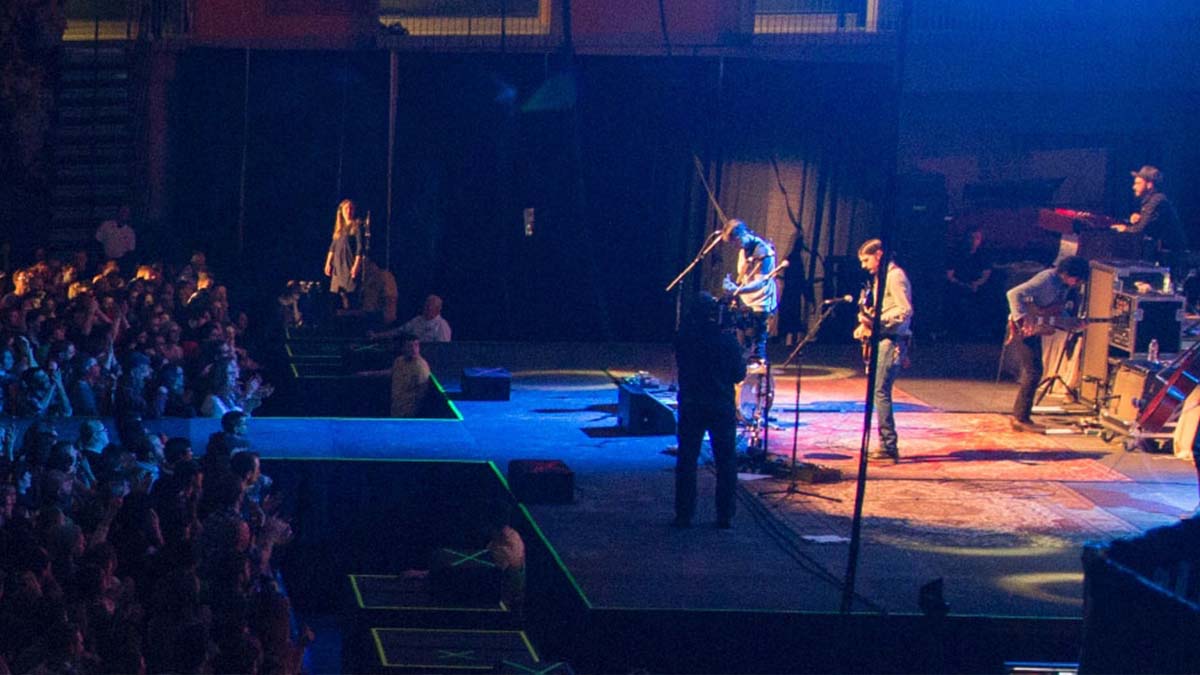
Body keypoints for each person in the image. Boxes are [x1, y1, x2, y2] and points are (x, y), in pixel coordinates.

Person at [673, 293, 746, 529]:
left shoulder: (684, 339)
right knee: (726, 461)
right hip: (720, 405)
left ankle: (684, 514)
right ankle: (725, 515)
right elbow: (739, 375)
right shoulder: (728, 341)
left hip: (692, 404)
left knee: (687, 460)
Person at [1005, 255, 1089, 433]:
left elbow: (1054, 311)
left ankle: (1020, 416)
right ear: (1067, 273)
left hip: (1035, 326)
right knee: (1033, 371)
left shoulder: (1062, 286)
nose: (1077, 283)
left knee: (1034, 370)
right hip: (1024, 327)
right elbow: (1013, 293)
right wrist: (1023, 318)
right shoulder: (1047, 279)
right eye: (1077, 279)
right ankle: (1020, 417)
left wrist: (1070, 323)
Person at [855, 239, 913, 462]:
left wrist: (877, 321)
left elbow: (904, 310)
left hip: (891, 341)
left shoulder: (894, 276)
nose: (864, 265)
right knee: (878, 391)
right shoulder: (882, 277)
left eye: (866, 260)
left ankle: (888, 446)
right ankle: (886, 443)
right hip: (884, 338)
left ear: (879, 255)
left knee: (881, 392)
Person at [721, 219, 777, 362]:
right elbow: (744, 276)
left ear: (743, 234)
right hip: (746, 301)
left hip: (760, 303)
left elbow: (760, 283)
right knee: (741, 346)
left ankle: (757, 368)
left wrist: (737, 290)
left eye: (735, 241)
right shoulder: (744, 250)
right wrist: (731, 285)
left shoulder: (764, 252)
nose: (735, 246)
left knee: (756, 348)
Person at [1112, 165, 1187, 269]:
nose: (1134, 187)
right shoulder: (1150, 200)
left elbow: (1141, 229)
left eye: (1138, 183)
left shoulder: (1157, 200)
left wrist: (1125, 229)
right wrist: (1137, 218)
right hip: (1164, 252)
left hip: (1171, 254)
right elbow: (1151, 222)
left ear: (1149, 185)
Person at [357, 334, 431, 418]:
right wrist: (368, 374)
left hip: (409, 413)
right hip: (396, 407)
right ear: (402, 348)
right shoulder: (399, 361)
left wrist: (414, 412)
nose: (414, 349)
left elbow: (422, 393)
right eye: (410, 346)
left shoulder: (420, 367)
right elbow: (392, 372)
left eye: (416, 345)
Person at [943, 226, 995, 340]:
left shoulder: (983, 255)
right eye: (971, 237)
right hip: (958, 286)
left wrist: (977, 284)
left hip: (978, 287)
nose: (973, 241)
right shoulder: (955, 254)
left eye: (977, 238)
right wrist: (964, 286)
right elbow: (949, 276)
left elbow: (986, 274)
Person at [323, 199, 365, 309]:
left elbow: (360, 248)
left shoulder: (356, 226)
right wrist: (328, 263)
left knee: (350, 297)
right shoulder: (339, 228)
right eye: (346, 208)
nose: (349, 211)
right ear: (341, 211)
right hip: (338, 266)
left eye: (351, 208)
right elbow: (332, 247)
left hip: (348, 264)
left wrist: (356, 265)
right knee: (335, 298)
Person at [371, 294, 451, 343]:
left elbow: (442, 349)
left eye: (429, 307)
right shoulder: (417, 320)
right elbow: (399, 331)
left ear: (437, 309)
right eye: (425, 306)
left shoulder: (442, 326)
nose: (425, 309)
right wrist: (377, 336)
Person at [359, 257, 399, 326]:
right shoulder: (368, 278)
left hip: (380, 317)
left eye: (366, 263)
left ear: (373, 263)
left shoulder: (385, 276)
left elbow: (390, 298)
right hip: (369, 316)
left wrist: (388, 315)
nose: (363, 266)